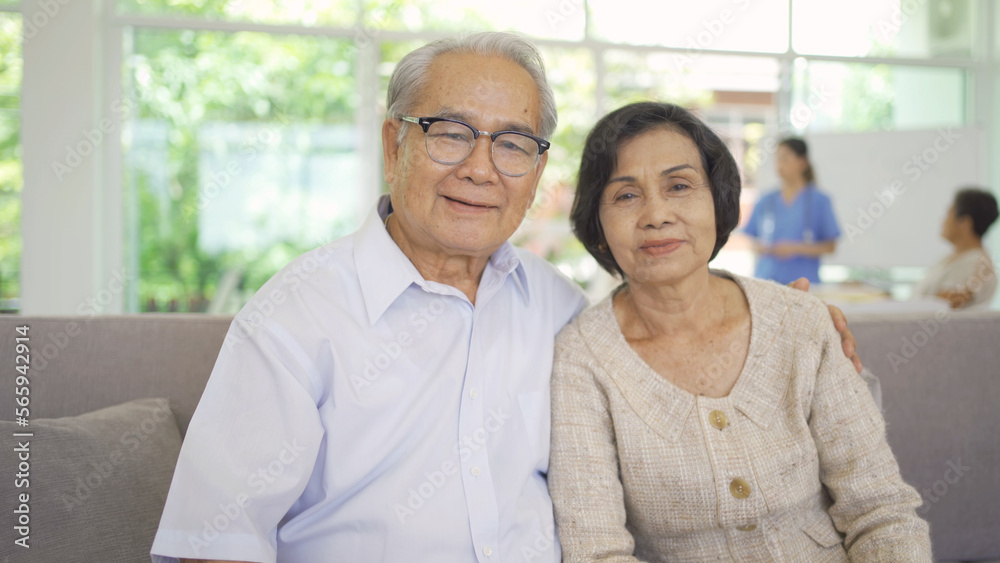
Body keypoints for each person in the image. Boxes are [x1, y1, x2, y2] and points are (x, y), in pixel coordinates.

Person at [151, 34, 860, 563]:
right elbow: (215, 542)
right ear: (395, 143)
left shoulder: (560, 310)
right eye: (451, 133)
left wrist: (781, 321)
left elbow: (672, 342)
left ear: (538, 169)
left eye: (514, 144)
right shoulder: (294, 317)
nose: (481, 169)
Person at [549, 102, 931, 561]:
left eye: (679, 186)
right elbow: (597, 550)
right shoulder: (582, 359)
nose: (656, 214)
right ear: (598, 226)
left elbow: (880, 510)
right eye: (626, 195)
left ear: (719, 201)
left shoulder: (802, 322)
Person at [744, 137, 840, 284]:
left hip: (803, 283)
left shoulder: (819, 201)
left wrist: (795, 248)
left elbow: (830, 247)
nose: (779, 165)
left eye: (785, 159)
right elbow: (751, 238)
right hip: (765, 281)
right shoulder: (766, 200)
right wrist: (760, 248)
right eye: (777, 159)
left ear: (802, 162)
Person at [912, 188, 998, 309]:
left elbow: (943, 304)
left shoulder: (974, 263)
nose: (943, 221)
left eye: (948, 214)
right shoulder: (955, 257)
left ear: (965, 223)